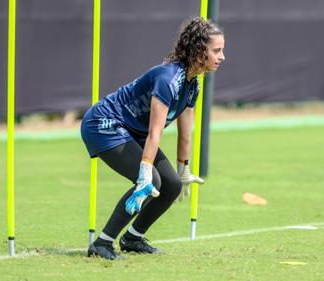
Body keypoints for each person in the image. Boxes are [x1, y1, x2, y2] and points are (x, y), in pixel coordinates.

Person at [81, 17, 225, 260]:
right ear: (199, 50)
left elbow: (185, 133)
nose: (222, 57)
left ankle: (133, 238)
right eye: (216, 50)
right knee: (151, 182)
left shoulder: (193, 85)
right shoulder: (169, 79)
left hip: (131, 132)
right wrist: (145, 172)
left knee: (172, 185)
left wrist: (183, 169)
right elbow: (155, 132)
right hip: (103, 125)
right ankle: (103, 243)